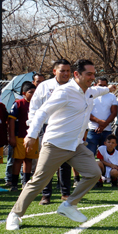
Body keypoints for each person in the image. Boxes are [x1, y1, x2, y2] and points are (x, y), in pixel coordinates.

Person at [6, 59, 112, 230]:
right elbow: (42, 112)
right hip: (55, 144)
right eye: (89, 74)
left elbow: (98, 90)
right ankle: (15, 215)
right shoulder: (64, 92)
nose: (92, 77)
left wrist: (110, 89)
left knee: (93, 173)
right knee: (39, 181)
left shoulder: (88, 91)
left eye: (94, 74)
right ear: (77, 75)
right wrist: (31, 135)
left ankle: (68, 205)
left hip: (76, 145)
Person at [32, 59, 76, 204]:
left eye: (68, 71)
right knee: (46, 163)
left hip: (66, 128)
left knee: (65, 162)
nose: (65, 73)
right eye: (62, 70)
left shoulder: (74, 86)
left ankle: (65, 193)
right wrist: (34, 129)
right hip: (46, 128)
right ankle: (46, 195)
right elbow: (34, 108)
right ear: (54, 71)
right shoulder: (45, 86)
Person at [8, 82, 37, 191]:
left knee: (28, 160)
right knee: (18, 160)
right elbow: (11, 120)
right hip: (19, 136)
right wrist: (11, 136)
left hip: (33, 136)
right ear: (24, 93)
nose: (33, 94)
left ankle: (26, 182)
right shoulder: (18, 104)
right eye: (31, 92)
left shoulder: (38, 104)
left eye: (35, 92)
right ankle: (14, 184)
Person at [85, 76, 118, 155]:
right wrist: (99, 121)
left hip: (107, 131)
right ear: (95, 85)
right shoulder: (90, 95)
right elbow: (86, 112)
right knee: (90, 155)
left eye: (105, 85)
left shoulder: (112, 96)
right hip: (92, 129)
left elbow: (114, 112)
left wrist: (103, 125)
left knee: (105, 156)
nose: (103, 87)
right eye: (100, 85)